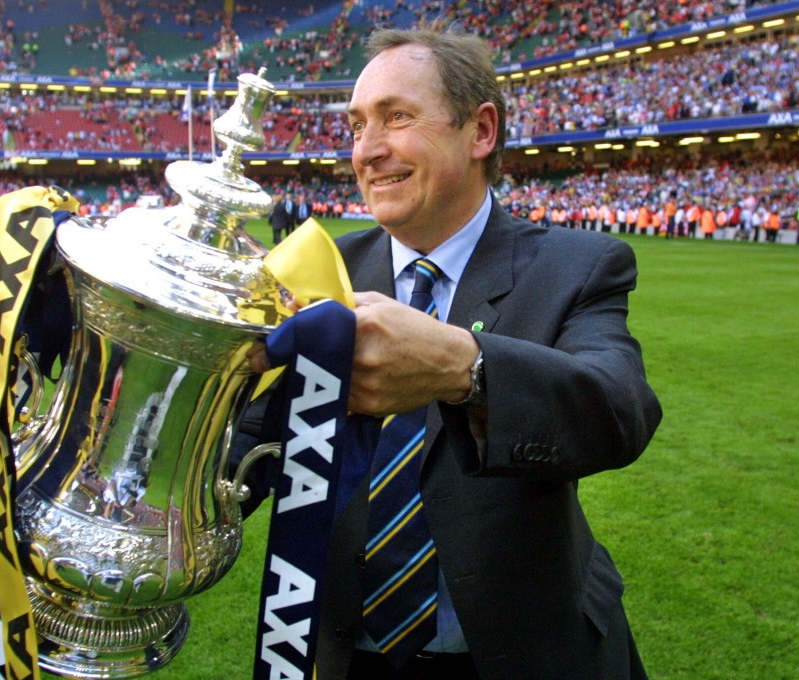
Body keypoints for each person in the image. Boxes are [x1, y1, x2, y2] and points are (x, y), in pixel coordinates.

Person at [243, 25, 662, 680]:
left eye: (397, 117)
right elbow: (240, 447)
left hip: (524, 653)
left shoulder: (579, 265)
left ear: (481, 131)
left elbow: (619, 411)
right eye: (356, 127)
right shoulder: (311, 273)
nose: (368, 150)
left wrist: (466, 368)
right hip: (346, 654)